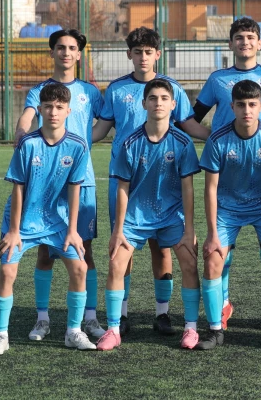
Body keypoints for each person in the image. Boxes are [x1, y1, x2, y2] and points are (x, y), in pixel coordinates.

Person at [92, 27, 209, 336]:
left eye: (148, 52)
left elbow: (189, 125)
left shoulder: (172, 88)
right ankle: (122, 315)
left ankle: (162, 313)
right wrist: (71, 140)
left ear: (158, 54)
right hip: (126, 179)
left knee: (163, 248)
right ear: (129, 54)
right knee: (123, 248)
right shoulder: (116, 89)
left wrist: (221, 137)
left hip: (164, 180)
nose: (143, 57)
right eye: (137, 52)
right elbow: (101, 129)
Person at [193, 17, 261, 330]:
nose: (245, 42)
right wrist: (213, 138)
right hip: (228, 176)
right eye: (239, 37)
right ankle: (222, 307)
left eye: (251, 37)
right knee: (219, 255)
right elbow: (193, 116)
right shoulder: (218, 79)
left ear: (260, 43)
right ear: (231, 43)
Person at [0, 83, 95, 355]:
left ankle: (73, 331)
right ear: (40, 110)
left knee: (80, 269)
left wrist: (73, 230)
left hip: (57, 221)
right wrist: (14, 230)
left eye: (59, 107)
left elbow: (75, 190)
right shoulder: (28, 143)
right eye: (48, 107)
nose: (53, 112)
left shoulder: (78, 145)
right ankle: (1, 335)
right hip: (23, 221)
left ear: (68, 111)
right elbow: (18, 188)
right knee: (7, 271)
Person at [12, 29, 106, 342]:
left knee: (84, 250)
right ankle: (42, 319)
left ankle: (89, 318)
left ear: (79, 54)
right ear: (52, 52)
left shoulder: (90, 92)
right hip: (47, 183)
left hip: (82, 181)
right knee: (45, 251)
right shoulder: (40, 91)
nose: (66, 52)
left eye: (72, 48)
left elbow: (105, 123)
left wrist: (84, 143)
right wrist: (22, 135)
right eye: (61, 47)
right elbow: (27, 118)